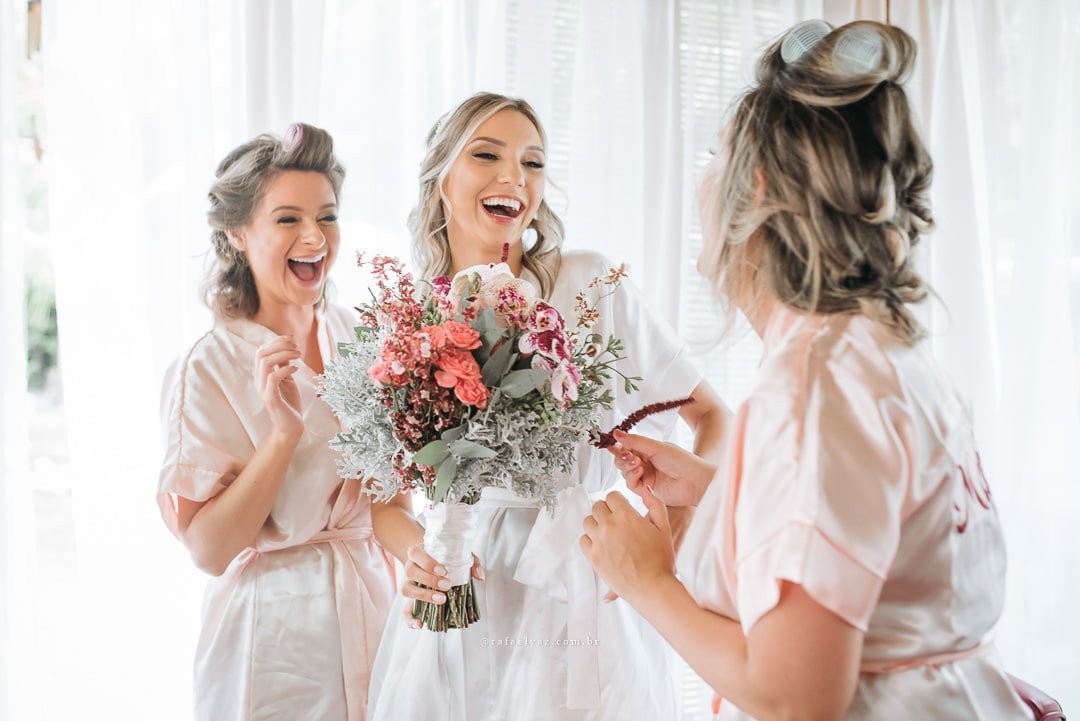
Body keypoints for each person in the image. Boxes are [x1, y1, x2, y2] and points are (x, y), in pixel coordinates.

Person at [580, 20, 1031, 720]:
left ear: (755, 187)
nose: (702, 185)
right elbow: (878, 546)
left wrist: (647, 580)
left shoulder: (815, 385)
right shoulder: (881, 348)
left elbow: (798, 698)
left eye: (713, 156)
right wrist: (720, 493)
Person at [365, 92, 730, 720]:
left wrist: (674, 541)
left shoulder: (587, 283)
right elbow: (386, 502)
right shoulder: (405, 318)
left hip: (580, 572)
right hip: (463, 587)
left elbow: (714, 417)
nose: (515, 177)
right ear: (441, 179)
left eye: (532, 163)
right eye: (488, 155)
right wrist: (419, 554)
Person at [157, 123, 396, 721]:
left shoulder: (364, 338)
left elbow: (393, 500)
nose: (314, 236)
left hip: (377, 609)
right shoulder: (206, 369)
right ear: (237, 233)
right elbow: (209, 551)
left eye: (327, 216)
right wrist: (282, 435)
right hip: (276, 641)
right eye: (287, 218)